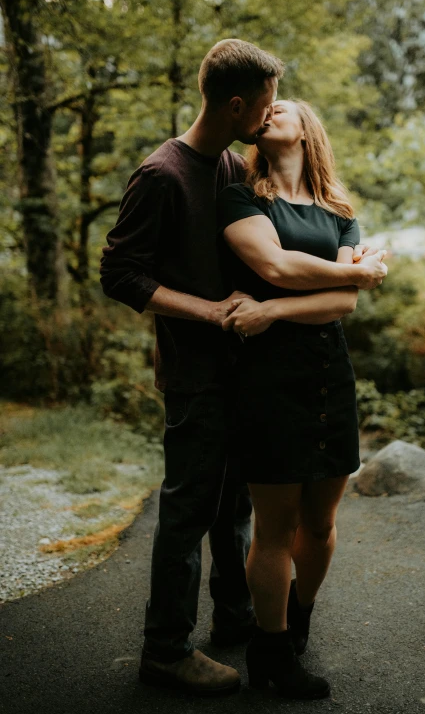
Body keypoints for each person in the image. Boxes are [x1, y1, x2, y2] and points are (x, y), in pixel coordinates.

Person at [100, 39, 384, 697]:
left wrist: (347, 269)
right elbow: (120, 274)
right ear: (238, 106)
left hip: (248, 368)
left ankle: (240, 618)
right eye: (268, 103)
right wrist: (210, 312)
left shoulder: (232, 169)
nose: (273, 113)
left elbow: (310, 270)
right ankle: (165, 649)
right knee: (189, 508)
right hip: (199, 368)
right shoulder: (164, 173)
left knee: (235, 510)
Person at [216, 99, 388, 700]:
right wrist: (354, 273)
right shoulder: (244, 196)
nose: (267, 112)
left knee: (320, 523)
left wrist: (269, 310)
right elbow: (281, 266)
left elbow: (341, 305)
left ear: (309, 127)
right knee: (273, 527)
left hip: (327, 374)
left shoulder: (340, 213)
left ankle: (299, 614)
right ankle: (270, 650)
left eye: (280, 106)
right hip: (266, 379)